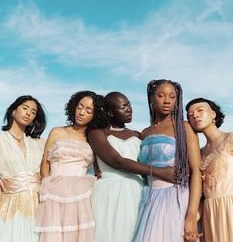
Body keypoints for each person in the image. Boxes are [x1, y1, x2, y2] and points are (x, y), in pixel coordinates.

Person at [88, 91, 176, 242]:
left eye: (129, 105)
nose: (129, 109)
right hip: (111, 192)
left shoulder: (138, 135)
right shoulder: (97, 133)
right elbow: (117, 161)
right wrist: (160, 172)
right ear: (110, 112)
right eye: (123, 107)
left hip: (138, 191)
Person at [133, 79, 202, 242]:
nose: (167, 100)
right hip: (148, 198)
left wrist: (191, 215)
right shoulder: (144, 133)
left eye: (172, 97)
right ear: (151, 98)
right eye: (161, 95)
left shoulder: (184, 127)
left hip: (175, 197)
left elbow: (196, 172)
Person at [35, 91, 105, 242]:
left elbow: (98, 167)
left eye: (88, 110)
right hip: (54, 193)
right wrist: (45, 191)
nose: (81, 112)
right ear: (74, 106)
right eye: (80, 106)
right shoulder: (57, 132)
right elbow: (44, 167)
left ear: (95, 115)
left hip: (82, 195)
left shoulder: (92, 139)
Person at [0, 95, 47, 242]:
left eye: (33, 112)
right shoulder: (0, 140)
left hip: (38, 207)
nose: (28, 113)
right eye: (25, 108)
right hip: (8, 206)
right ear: (13, 111)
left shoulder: (40, 143)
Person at [186, 97, 233, 242]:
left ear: (213, 114)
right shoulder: (198, 154)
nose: (195, 116)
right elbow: (201, 194)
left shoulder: (230, 139)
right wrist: (193, 220)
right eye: (190, 115)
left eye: (200, 110)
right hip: (210, 212)